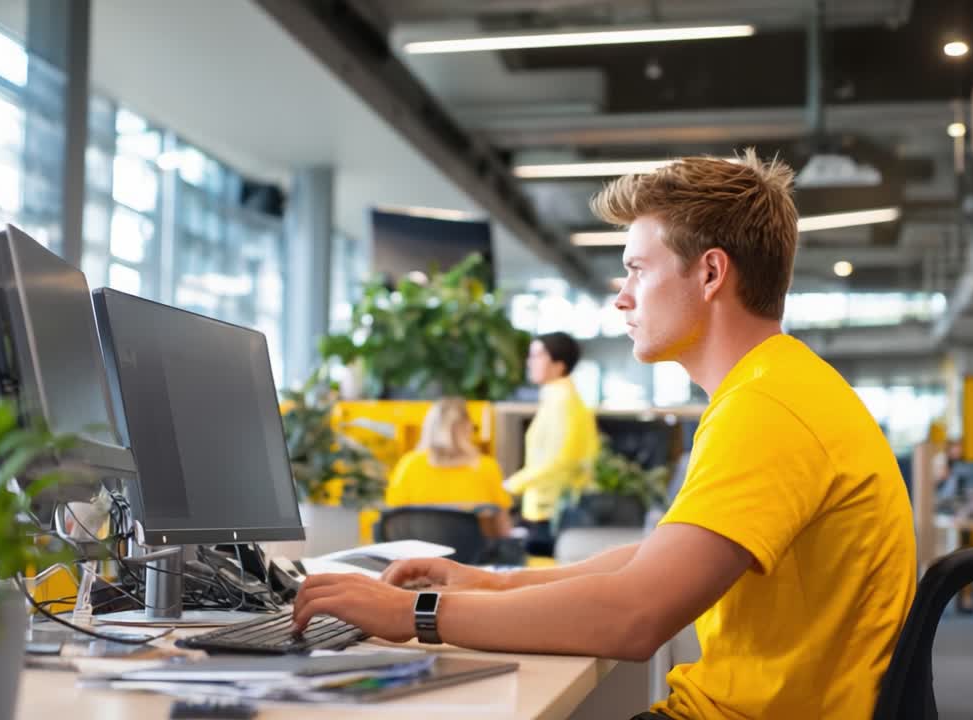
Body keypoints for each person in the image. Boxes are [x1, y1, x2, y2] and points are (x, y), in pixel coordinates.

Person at [291, 151, 917, 720]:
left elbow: (634, 617)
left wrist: (414, 615)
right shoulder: (778, 387)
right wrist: (494, 583)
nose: (621, 297)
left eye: (637, 270)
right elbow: (652, 563)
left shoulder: (768, 408)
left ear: (710, 274)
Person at [504, 331, 600, 556]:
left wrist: (512, 485)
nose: (530, 362)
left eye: (538, 355)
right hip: (549, 508)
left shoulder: (562, 401)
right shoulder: (560, 397)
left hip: (551, 511)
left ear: (559, 364)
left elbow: (560, 460)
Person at [384, 398, 512, 536]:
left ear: (428, 428)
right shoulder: (486, 467)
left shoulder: (408, 465)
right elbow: (502, 529)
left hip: (420, 555)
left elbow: (393, 522)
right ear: (467, 427)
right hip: (472, 556)